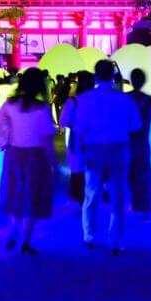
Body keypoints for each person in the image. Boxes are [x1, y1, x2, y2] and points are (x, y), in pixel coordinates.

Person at [68, 61, 141, 254]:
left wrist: (80, 152)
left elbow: (79, 128)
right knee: (118, 195)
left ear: (96, 75)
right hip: (119, 149)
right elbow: (135, 126)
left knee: (91, 193)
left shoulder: (85, 99)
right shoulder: (124, 100)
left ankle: (88, 235)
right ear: (113, 74)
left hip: (94, 149)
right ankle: (115, 240)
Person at [0, 68, 57, 255]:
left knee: (15, 196)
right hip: (35, 158)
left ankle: (14, 232)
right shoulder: (41, 108)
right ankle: (25, 242)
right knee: (32, 200)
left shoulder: (10, 104)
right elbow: (47, 141)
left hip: (14, 156)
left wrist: (8, 127)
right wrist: (54, 166)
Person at [58, 70, 94, 203]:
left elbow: (63, 121)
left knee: (77, 167)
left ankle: (79, 197)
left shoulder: (72, 102)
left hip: (77, 139)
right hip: (95, 138)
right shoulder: (97, 100)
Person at [128, 68, 151, 215]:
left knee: (128, 173)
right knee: (144, 175)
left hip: (128, 141)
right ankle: (144, 206)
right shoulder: (148, 99)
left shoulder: (126, 98)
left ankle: (129, 203)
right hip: (143, 141)